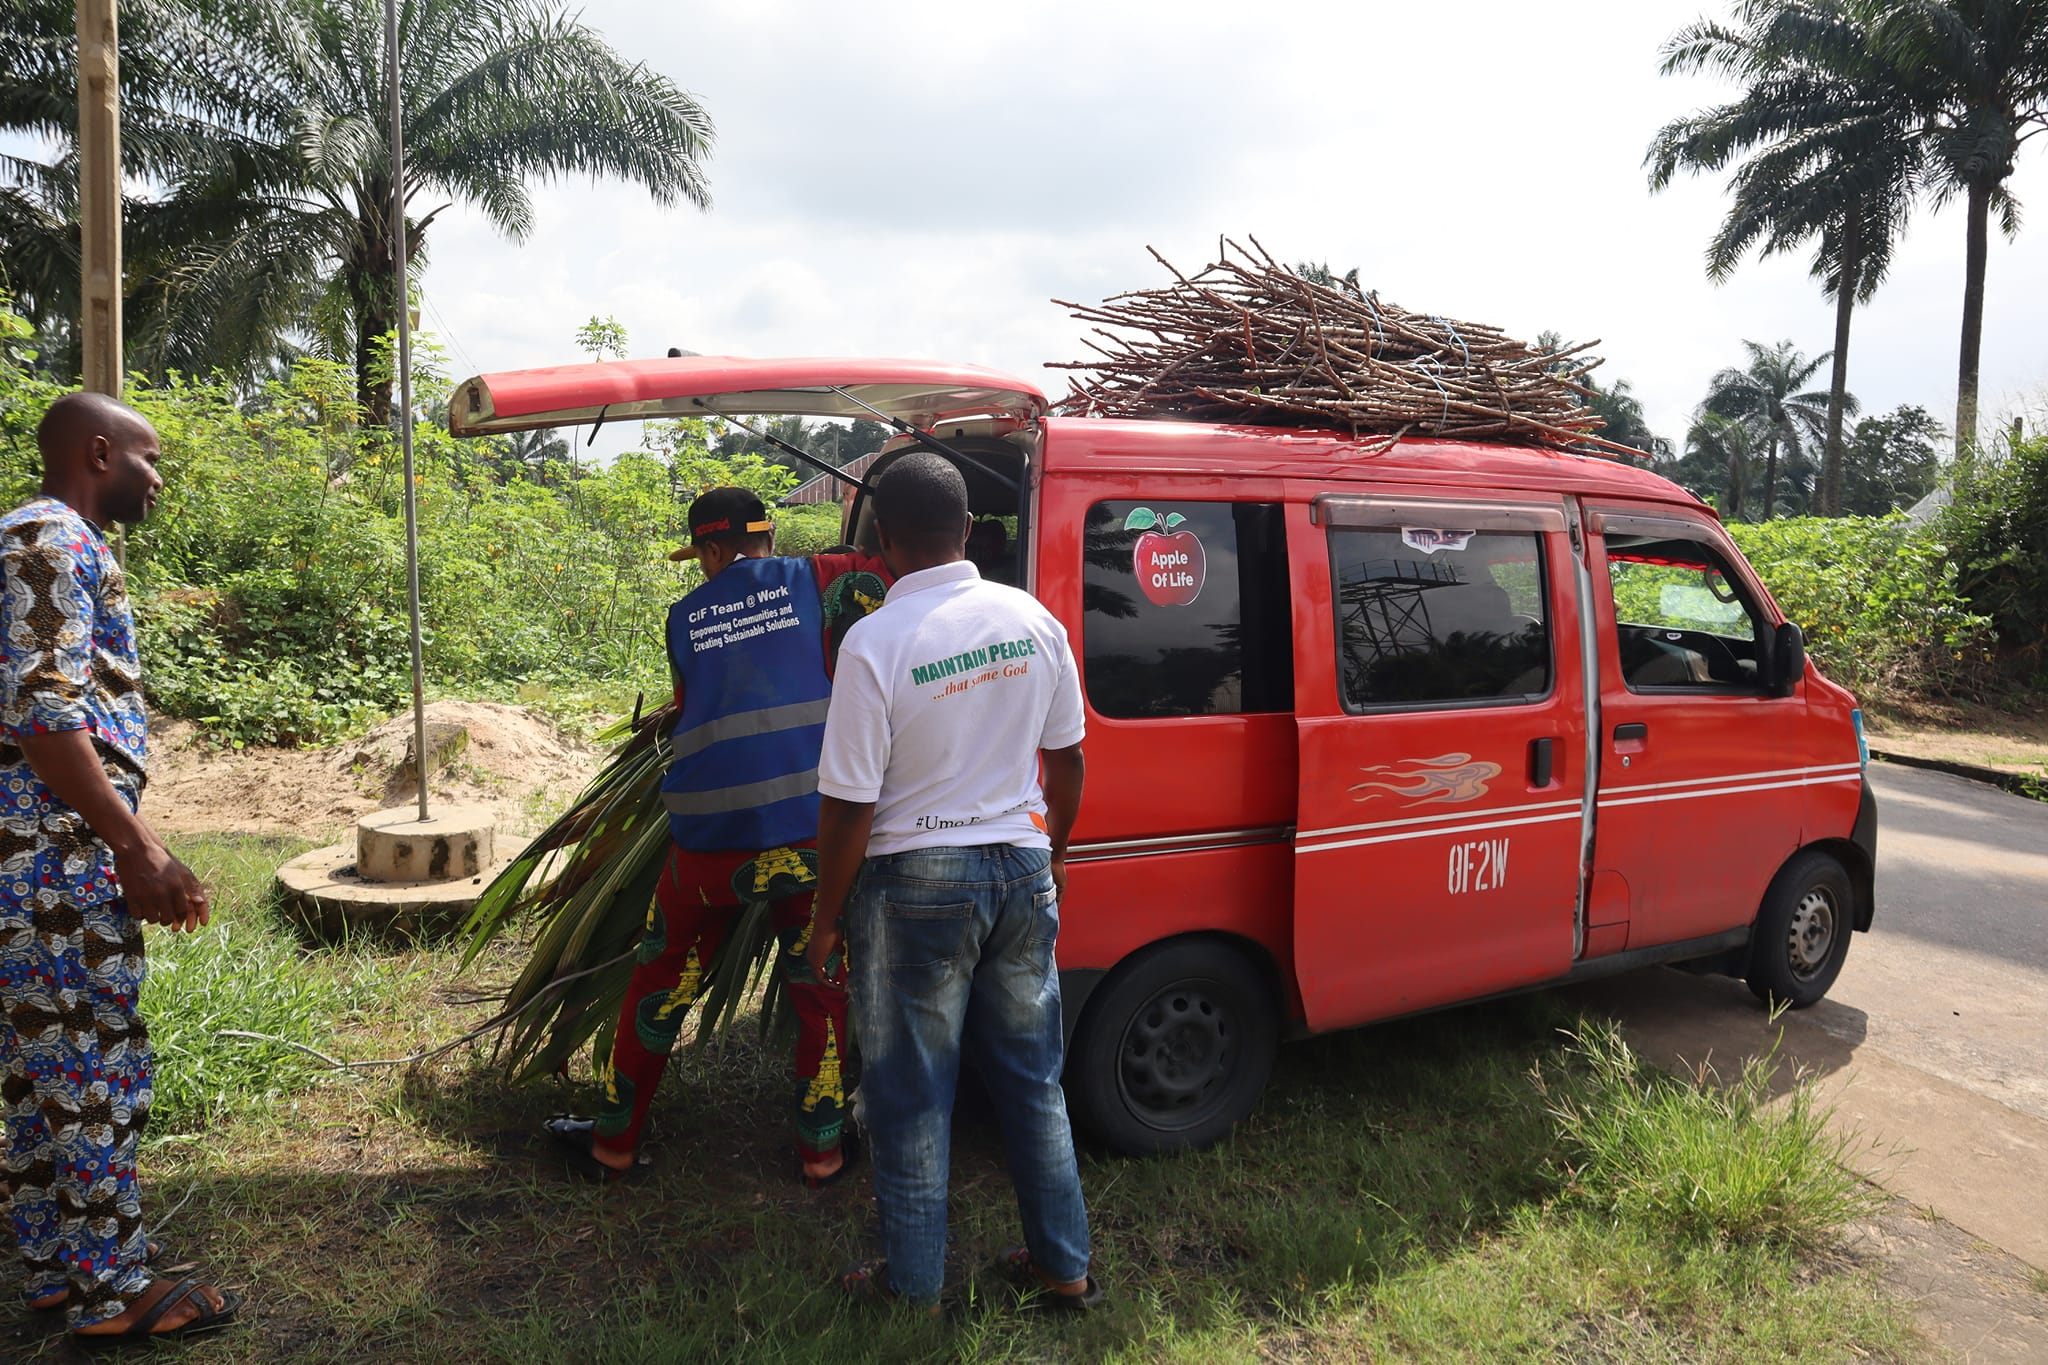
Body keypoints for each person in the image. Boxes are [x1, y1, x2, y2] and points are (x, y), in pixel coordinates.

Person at [804, 453, 1097, 1311]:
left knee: (910, 1093)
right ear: (969, 531)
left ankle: (913, 1286)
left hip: (916, 884)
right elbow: (1068, 759)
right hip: (1021, 869)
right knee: (1033, 1081)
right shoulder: (1032, 619)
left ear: (882, 545)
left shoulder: (874, 642)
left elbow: (849, 805)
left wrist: (824, 922)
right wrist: (1061, 852)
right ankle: (1063, 1267)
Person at [543, 487, 889, 1187]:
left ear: (711, 550)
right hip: (807, 835)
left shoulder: (682, 619)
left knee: (660, 979)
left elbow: (688, 705)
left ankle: (614, 1142)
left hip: (709, 848)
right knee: (817, 986)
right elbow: (885, 568)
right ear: (769, 537)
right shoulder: (818, 575)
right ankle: (821, 1151)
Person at [1, 392, 240, 1341]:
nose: (158, 477)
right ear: (99, 452)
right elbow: (48, 718)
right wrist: (137, 848)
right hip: (51, 857)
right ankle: (113, 1292)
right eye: (148, 459)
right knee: (95, 1065)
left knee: (36, 1077)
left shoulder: (42, 539)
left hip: (29, 854)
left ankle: (56, 1267)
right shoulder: (50, 539)